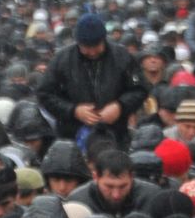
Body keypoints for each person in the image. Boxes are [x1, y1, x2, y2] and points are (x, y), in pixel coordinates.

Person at [37, 13, 147, 144]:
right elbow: (44, 94)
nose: (93, 52)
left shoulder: (122, 57)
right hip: (72, 136)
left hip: (116, 135)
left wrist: (120, 106)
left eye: (96, 46)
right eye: (87, 47)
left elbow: (140, 89)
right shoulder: (62, 60)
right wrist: (73, 110)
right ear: (78, 42)